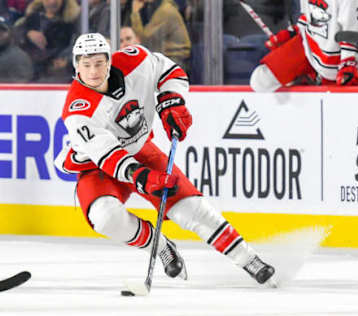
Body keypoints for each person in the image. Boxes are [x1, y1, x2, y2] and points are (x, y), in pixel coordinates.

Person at [54, 33, 276, 285]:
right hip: (97, 167)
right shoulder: (77, 111)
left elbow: (171, 71)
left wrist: (172, 101)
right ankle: (159, 246)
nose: (93, 71)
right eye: (85, 64)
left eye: (98, 63)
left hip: (140, 151)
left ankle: (249, 259)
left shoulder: (135, 61)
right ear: (76, 66)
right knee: (105, 217)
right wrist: (141, 177)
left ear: (109, 60)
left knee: (190, 210)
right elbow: (109, 157)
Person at [250, 0, 358, 91]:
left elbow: (354, 30)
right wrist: (293, 32)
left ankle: (310, 77)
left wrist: (349, 62)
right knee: (260, 81)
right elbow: (308, 18)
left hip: (337, 59)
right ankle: (306, 76)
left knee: (336, 109)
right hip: (309, 45)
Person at [130, 0, 191, 71]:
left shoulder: (165, 11)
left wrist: (135, 13)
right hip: (167, 58)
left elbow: (144, 39)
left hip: (175, 61)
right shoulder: (155, 7)